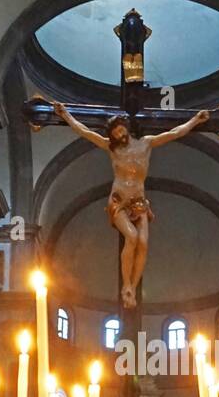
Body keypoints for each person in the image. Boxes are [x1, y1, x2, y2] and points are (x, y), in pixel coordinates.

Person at [52, 102, 210, 308]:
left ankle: (132, 288)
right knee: (132, 237)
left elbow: (174, 133)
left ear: (125, 127)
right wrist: (66, 115)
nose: (119, 134)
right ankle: (125, 284)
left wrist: (195, 120)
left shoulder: (146, 143)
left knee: (143, 243)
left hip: (139, 201)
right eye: (115, 133)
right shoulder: (111, 149)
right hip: (118, 200)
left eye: (120, 129)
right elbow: (85, 131)